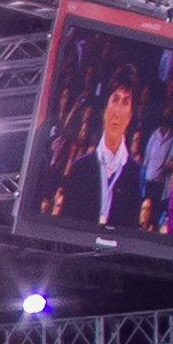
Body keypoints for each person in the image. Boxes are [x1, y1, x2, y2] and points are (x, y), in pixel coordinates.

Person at [61, 67, 148, 229]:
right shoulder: (80, 167)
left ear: (130, 116)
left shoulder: (136, 173)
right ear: (105, 110)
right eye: (115, 99)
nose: (118, 112)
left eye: (125, 102)